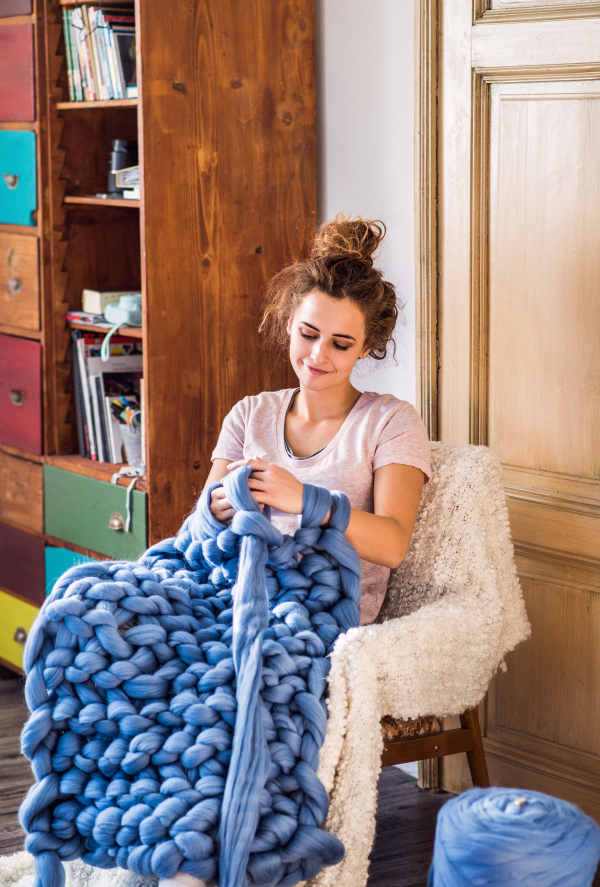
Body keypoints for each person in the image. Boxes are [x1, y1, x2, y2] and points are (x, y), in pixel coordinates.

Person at [160, 220, 432, 887]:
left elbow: (392, 540)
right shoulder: (250, 415)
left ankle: (217, 855)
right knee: (127, 618)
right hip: (233, 592)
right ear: (288, 323)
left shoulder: (390, 421)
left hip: (320, 613)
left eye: (341, 343)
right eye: (308, 335)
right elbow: (202, 529)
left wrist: (305, 498)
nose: (318, 356)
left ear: (368, 346)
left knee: (245, 675)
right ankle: (167, 828)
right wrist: (221, 504)